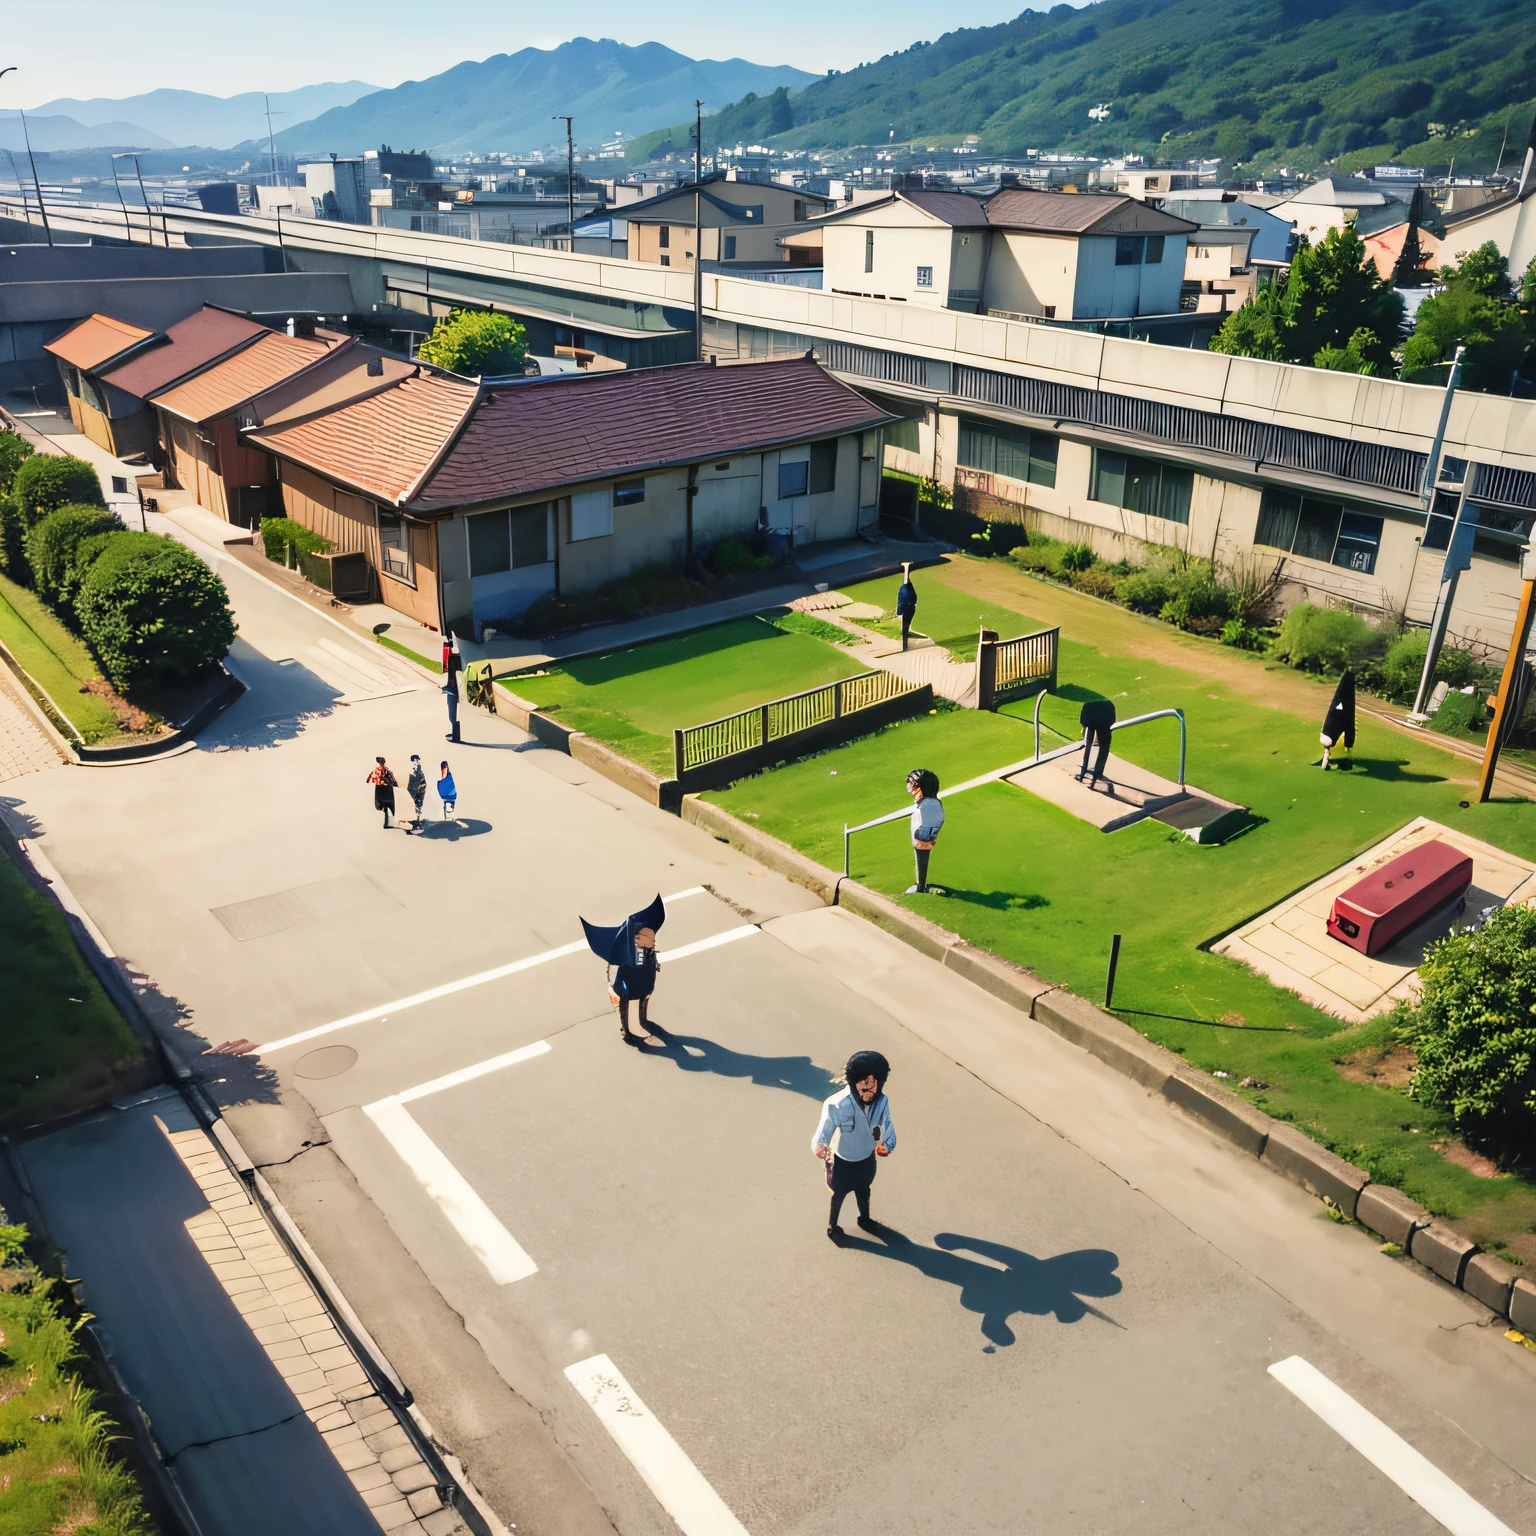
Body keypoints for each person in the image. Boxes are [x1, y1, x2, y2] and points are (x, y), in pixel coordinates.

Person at [813, 1050, 896, 1243]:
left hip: (867, 1156)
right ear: (853, 1082)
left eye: (874, 1084)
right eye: (864, 1085)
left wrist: (889, 1143)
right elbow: (825, 1129)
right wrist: (821, 1145)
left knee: (864, 1190)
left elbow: (888, 1124)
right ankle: (832, 1226)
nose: (870, 1091)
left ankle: (864, 1219)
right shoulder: (839, 1104)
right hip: (843, 1159)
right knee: (838, 1195)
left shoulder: (882, 1102)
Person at [581, 894, 666, 1046]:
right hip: (628, 990)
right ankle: (630, 1032)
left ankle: (640, 1020)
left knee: (640, 1004)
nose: (653, 941)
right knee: (631, 1007)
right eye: (650, 937)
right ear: (637, 937)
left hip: (641, 987)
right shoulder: (626, 955)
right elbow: (623, 977)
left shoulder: (642, 950)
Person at [906, 767, 944, 895]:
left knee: (921, 859)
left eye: (912, 783)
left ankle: (921, 886)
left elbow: (930, 823)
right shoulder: (931, 802)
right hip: (925, 836)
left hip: (923, 837)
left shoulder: (927, 805)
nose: (909, 785)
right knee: (920, 859)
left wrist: (922, 837)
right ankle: (920, 885)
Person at [1076, 698, 1116, 789]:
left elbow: (1083, 720)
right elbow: (1112, 719)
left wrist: (1086, 725)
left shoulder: (1089, 703)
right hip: (1105, 728)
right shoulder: (1108, 704)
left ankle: (1085, 774)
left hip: (1092, 727)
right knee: (1103, 749)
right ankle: (1097, 774)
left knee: (1089, 749)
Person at [1320, 669, 1356, 770]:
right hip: (1341, 712)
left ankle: (1340, 756)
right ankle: (1347, 756)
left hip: (1338, 712)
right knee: (1347, 725)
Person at [366, 757, 398, 829]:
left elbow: (369, 779)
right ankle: (388, 824)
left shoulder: (376, 771)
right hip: (388, 790)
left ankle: (387, 823)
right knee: (389, 806)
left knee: (382, 806)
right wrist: (395, 784)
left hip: (380, 789)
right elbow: (393, 781)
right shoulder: (387, 771)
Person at [895, 563, 918, 652]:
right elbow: (914, 598)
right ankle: (905, 645)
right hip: (908, 609)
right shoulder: (906, 589)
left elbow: (900, 600)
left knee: (905, 626)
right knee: (905, 626)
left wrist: (899, 610)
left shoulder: (903, 588)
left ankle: (905, 644)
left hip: (906, 608)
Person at [406, 755, 427, 829]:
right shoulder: (413, 770)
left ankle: (417, 820)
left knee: (418, 804)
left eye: (417, 761)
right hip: (415, 789)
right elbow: (412, 780)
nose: (417, 763)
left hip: (419, 789)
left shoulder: (418, 770)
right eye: (415, 762)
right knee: (417, 804)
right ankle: (417, 820)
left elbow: (419, 780)